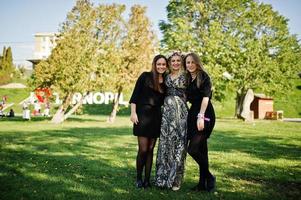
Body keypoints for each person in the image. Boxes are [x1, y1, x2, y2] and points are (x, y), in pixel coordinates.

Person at [129, 55, 168, 189]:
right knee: (143, 149)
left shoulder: (166, 81)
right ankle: (139, 178)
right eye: (159, 64)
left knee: (151, 149)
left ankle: (147, 180)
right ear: (154, 64)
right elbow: (134, 96)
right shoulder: (145, 76)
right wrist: (133, 113)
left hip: (156, 116)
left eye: (163, 64)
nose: (161, 66)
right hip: (142, 115)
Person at [155, 52, 188, 191]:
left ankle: (176, 180)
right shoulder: (166, 76)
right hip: (167, 115)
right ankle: (162, 178)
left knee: (179, 144)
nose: (175, 63)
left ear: (181, 62)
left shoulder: (186, 76)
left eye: (178, 60)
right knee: (166, 144)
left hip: (181, 114)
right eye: (173, 60)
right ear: (170, 62)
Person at [184, 52, 216, 192]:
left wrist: (201, 116)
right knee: (203, 150)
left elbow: (205, 98)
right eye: (187, 62)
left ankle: (209, 176)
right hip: (193, 113)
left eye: (192, 62)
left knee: (193, 149)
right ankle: (203, 184)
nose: (190, 65)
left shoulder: (203, 76)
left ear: (197, 63)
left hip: (205, 113)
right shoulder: (188, 78)